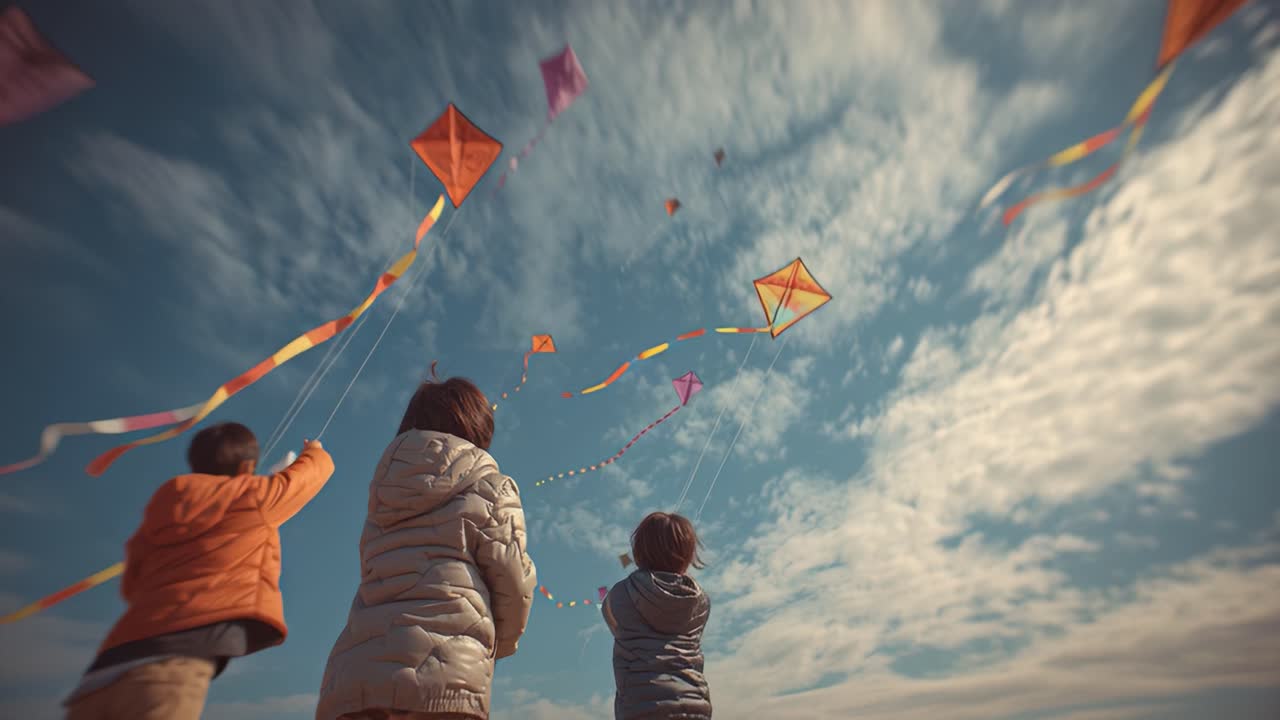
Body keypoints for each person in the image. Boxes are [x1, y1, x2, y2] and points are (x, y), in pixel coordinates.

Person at [63, 423, 335, 720]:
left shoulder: (164, 504)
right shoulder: (255, 496)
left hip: (103, 671)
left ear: (195, 463)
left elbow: (132, 584)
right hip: (169, 667)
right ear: (247, 465)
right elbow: (311, 475)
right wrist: (314, 452)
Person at [316, 363, 537, 720]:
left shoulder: (381, 493)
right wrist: (502, 644)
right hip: (447, 676)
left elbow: (370, 568)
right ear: (477, 426)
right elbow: (513, 580)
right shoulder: (494, 486)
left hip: (354, 679)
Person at [603, 512, 712, 720]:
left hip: (639, 710)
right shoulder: (701, 601)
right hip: (694, 709)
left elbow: (614, 622)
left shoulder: (619, 594)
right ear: (688, 554)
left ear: (640, 552)